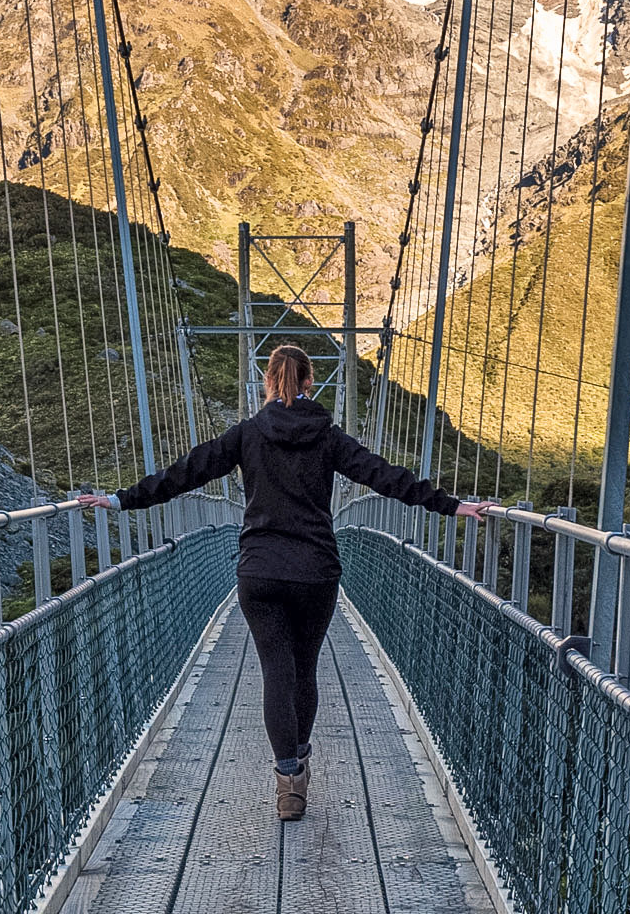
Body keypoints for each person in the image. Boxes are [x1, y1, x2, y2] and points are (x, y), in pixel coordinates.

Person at [98, 344, 481, 819]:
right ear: (308, 382)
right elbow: (384, 477)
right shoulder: (329, 437)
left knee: (276, 672)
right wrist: (450, 505)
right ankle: (300, 756)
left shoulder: (246, 435)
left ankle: (288, 782)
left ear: (267, 383)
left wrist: (120, 500)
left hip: (260, 570)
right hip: (315, 571)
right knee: (304, 668)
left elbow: (184, 474)